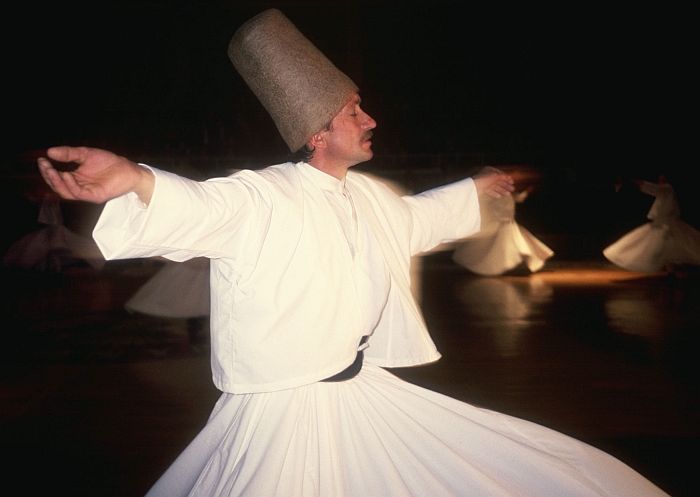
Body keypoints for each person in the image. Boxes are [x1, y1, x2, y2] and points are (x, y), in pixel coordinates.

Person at [37, 9, 667, 497]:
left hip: (357, 392)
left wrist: (475, 187)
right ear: (318, 134)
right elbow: (200, 206)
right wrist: (133, 177)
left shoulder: (365, 195)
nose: (370, 119)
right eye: (352, 111)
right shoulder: (262, 196)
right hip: (280, 414)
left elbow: (417, 218)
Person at [452, 179, 554, 276]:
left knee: (517, 245)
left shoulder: (506, 193)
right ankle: (504, 266)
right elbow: (490, 206)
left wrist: (526, 192)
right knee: (508, 246)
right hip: (501, 223)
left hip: (508, 223)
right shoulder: (492, 194)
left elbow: (518, 198)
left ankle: (518, 265)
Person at [603, 175, 700, 273]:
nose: (660, 179)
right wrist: (635, 183)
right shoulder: (665, 191)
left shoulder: (667, 188)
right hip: (662, 224)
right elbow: (653, 190)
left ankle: (675, 270)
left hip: (665, 225)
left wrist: (633, 182)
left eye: (662, 177)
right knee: (667, 248)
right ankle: (672, 270)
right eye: (660, 177)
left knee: (666, 246)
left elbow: (653, 188)